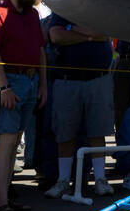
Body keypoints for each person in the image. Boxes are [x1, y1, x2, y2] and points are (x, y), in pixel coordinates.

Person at [0, 0, 47, 211]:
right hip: (12, 81)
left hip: (29, 81)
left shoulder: (32, 14)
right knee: (7, 142)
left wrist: (43, 85)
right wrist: (4, 86)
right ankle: (0, 201)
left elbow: (40, 51)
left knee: (14, 139)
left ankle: (6, 196)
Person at [44, 14, 115, 199]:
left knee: (97, 131)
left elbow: (107, 32)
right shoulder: (63, 10)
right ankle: (63, 181)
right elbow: (56, 36)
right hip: (67, 80)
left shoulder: (99, 8)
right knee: (64, 132)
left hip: (98, 79)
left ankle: (100, 179)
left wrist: (73, 31)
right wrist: (91, 35)